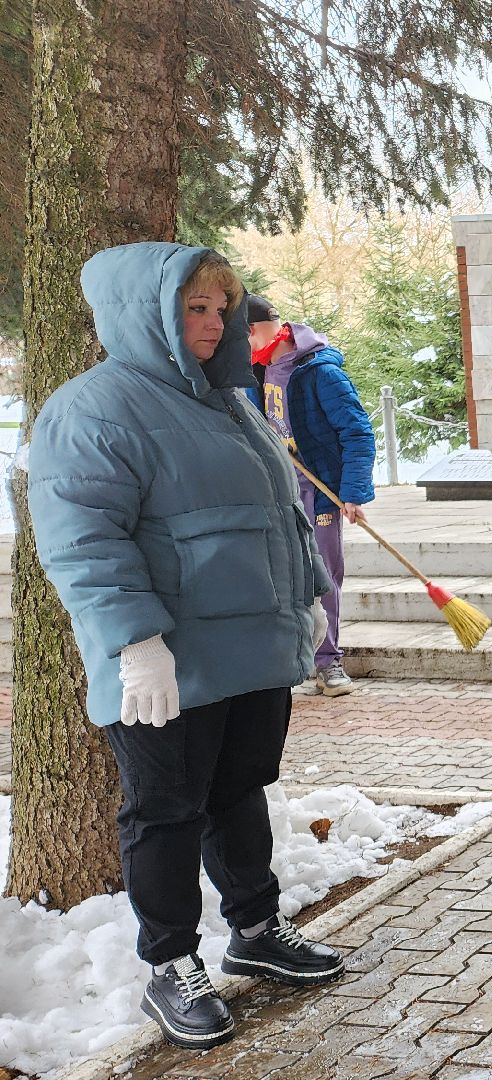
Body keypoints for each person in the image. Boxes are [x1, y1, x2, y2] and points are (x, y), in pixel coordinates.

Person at [28, 243, 345, 1050]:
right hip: (165, 665)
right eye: (193, 309)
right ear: (149, 315)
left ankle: (255, 928)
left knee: (240, 790)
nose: (212, 325)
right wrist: (135, 642)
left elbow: (280, 508)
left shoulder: (227, 398)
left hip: (249, 648)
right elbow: (82, 540)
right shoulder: (93, 408)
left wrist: (307, 592)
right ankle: (169, 966)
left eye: (220, 308)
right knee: (165, 814)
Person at [243, 296, 376, 697]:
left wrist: (351, 492)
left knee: (323, 577)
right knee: (281, 577)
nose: (246, 340)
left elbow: (357, 432)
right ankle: (290, 660)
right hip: (277, 492)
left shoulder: (319, 373)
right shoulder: (254, 372)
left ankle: (328, 661)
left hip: (319, 493)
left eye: (248, 330)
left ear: (270, 326)